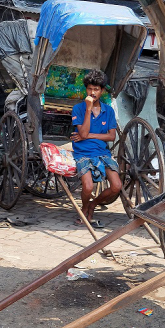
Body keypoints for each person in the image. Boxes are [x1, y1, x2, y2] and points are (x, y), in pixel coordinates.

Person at [70, 69, 122, 227]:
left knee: (116, 186)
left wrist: (89, 136)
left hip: (102, 153)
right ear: (86, 89)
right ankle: (85, 208)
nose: (92, 92)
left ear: (102, 90)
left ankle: (93, 204)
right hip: (83, 153)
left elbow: (111, 136)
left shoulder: (109, 111)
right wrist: (88, 108)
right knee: (87, 186)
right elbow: (83, 133)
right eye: (90, 89)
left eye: (96, 89)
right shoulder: (78, 109)